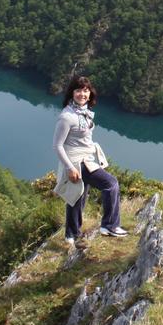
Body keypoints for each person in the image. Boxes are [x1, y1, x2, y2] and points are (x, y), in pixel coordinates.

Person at [53, 76, 127, 244]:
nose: (82, 94)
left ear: (90, 92)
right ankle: (109, 225)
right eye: (78, 90)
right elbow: (57, 146)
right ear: (72, 93)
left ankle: (71, 235)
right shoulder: (67, 117)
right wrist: (70, 168)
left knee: (78, 195)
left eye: (85, 90)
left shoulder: (83, 111)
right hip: (77, 162)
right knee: (111, 184)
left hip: (85, 158)